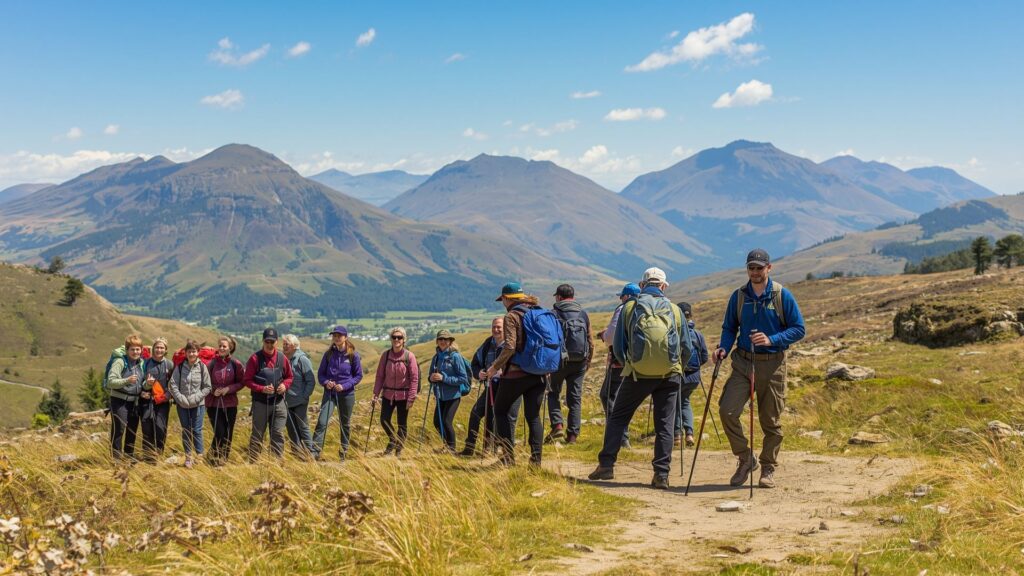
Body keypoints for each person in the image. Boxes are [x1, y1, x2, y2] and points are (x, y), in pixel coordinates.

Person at [588, 267, 692, 489]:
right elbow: (686, 347)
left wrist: (629, 365)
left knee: (618, 417)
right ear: (663, 286)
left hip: (638, 374)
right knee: (665, 425)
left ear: (643, 285)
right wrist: (677, 366)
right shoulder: (674, 310)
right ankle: (661, 475)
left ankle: (606, 466)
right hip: (669, 375)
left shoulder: (629, 308)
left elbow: (618, 345)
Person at [713, 249, 805, 489]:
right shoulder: (739, 296)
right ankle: (746, 458)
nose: (755, 272)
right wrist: (723, 348)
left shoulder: (782, 295)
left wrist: (771, 339)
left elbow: (799, 329)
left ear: (769, 268)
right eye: (751, 268)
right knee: (727, 411)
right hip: (743, 363)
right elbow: (729, 327)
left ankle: (768, 467)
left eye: (759, 268)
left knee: (770, 421)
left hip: (773, 364)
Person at [484, 282, 550, 467]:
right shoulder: (536, 312)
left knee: (500, 410)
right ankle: (536, 461)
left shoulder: (512, 316)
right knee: (533, 416)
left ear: (506, 299)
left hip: (516, 374)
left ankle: (507, 458)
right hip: (539, 373)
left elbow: (510, 346)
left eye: (502, 300)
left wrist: (494, 367)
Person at [459, 317, 521, 457]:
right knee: (476, 413)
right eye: (494, 327)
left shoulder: (511, 345)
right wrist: (479, 373)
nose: (496, 330)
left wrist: (502, 372)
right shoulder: (488, 343)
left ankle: (496, 449)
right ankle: (470, 448)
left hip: (507, 386)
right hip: (490, 387)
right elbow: (475, 363)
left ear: (506, 328)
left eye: (499, 327)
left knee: (497, 417)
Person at [546, 284, 594, 444]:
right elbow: (590, 340)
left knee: (553, 392)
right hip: (579, 361)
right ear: (573, 296)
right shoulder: (583, 314)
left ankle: (557, 426)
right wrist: (588, 361)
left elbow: (549, 340)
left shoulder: (554, 314)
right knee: (575, 399)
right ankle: (572, 436)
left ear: (558, 297)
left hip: (559, 361)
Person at [598, 283, 640, 450]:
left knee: (607, 396)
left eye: (621, 296)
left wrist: (603, 334)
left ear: (626, 296)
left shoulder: (623, 309)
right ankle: (622, 437)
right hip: (638, 362)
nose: (620, 299)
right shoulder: (645, 308)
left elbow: (611, 336)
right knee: (624, 398)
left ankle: (619, 436)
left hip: (619, 362)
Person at [311, 326, 362, 461]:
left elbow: (358, 376)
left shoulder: (353, 355)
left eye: (339, 335)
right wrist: (326, 382)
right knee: (322, 421)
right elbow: (321, 374)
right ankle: (314, 452)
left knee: (344, 423)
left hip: (347, 395)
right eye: (334, 335)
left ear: (345, 337)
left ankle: (343, 452)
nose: (336, 338)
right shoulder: (328, 355)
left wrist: (344, 386)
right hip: (330, 394)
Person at [244, 328, 294, 461]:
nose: (270, 344)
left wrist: (285, 385)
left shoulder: (282, 358)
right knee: (258, 434)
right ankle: (253, 462)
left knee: (278, 433)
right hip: (260, 403)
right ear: (263, 341)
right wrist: (261, 388)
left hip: (279, 402)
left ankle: (277, 463)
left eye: (272, 341)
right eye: (267, 341)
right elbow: (247, 380)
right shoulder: (255, 359)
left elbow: (289, 376)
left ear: (276, 342)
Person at [373, 327, 419, 457]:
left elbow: (414, 378)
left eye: (399, 337)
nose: (397, 340)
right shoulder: (385, 355)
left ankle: (398, 450)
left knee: (402, 423)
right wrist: (375, 394)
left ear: (404, 340)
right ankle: (393, 440)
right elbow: (380, 376)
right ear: (391, 339)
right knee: (384, 420)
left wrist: (411, 397)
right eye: (394, 337)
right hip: (388, 395)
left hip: (404, 395)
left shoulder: (409, 356)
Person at [169, 340, 212, 468]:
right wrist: (180, 399)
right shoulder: (180, 367)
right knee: (186, 430)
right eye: (189, 351)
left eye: (194, 351)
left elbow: (207, 387)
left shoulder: (202, 367)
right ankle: (188, 457)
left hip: (198, 404)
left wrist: (195, 398)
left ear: (198, 352)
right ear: (186, 353)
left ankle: (199, 456)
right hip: (182, 405)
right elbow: (173, 384)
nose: (191, 353)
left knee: (197, 430)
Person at [427, 329, 469, 453]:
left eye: (445, 339)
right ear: (437, 341)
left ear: (450, 341)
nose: (443, 341)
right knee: (437, 422)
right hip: (440, 395)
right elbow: (430, 376)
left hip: (453, 395)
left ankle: (451, 449)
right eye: (440, 339)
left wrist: (443, 378)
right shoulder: (436, 357)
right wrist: (431, 378)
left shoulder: (455, 356)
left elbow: (463, 378)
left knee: (446, 421)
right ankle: (447, 446)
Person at [205, 336, 244, 466]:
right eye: (220, 346)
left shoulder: (236, 364)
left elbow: (242, 382)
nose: (221, 348)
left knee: (228, 433)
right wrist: (213, 390)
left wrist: (229, 388)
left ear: (230, 348)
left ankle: (223, 460)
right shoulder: (211, 364)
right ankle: (212, 457)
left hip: (230, 404)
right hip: (213, 404)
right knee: (219, 432)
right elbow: (205, 382)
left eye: (224, 346)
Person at [107, 334, 146, 460]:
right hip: (119, 400)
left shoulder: (141, 363)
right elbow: (110, 381)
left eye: (138, 349)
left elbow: (141, 383)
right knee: (119, 429)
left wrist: (147, 386)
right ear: (127, 350)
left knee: (132, 430)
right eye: (132, 349)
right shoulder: (120, 362)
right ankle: (116, 459)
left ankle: (129, 457)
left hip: (134, 401)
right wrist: (126, 380)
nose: (135, 352)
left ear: (141, 350)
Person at [675, 302, 708, 447]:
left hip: (678, 375)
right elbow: (705, 356)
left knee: (675, 403)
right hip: (694, 376)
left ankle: (676, 436)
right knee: (685, 401)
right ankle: (689, 433)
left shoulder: (675, 332)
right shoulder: (698, 334)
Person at [139, 337, 173, 462]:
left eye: (162, 348)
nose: (159, 350)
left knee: (160, 428)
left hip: (163, 402)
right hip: (146, 401)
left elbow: (173, 383)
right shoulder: (145, 363)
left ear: (166, 350)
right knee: (147, 428)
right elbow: (139, 381)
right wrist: (142, 391)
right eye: (157, 347)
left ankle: (158, 455)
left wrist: (169, 395)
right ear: (153, 349)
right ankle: (148, 457)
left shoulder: (169, 364)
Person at [282, 334, 316, 458]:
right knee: (291, 429)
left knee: (303, 427)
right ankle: (298, 455)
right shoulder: (283, 359)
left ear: (295, 346)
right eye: (284, 344)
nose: (284, 346)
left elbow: (311, 381)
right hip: (286, 401)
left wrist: (304, 396)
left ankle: (311, 454)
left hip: (299, 401)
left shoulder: (302, 359)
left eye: (287, 344)